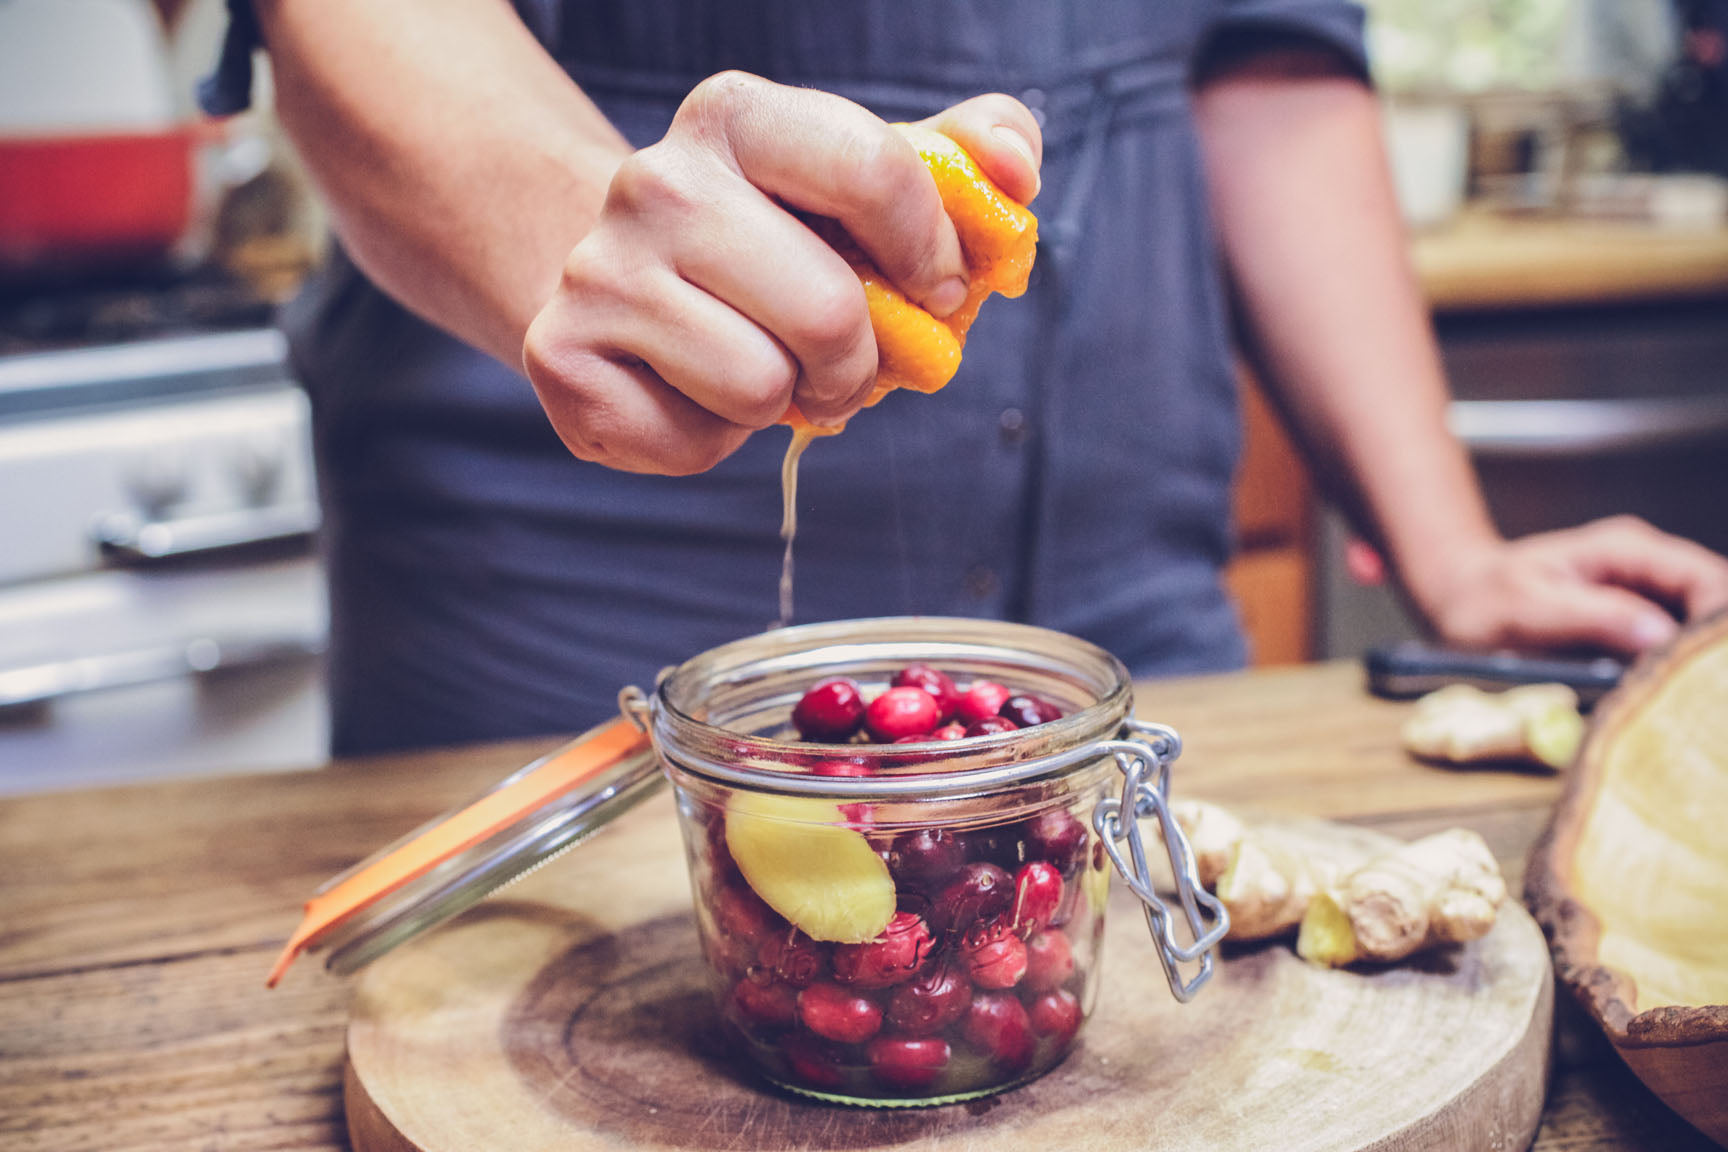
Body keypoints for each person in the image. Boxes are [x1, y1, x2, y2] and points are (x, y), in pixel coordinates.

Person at [202, 0, 1728, 755]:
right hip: (566, 629)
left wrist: (1450, 550)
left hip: (1135, 632)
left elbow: (1271, 59)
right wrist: (574, 236)